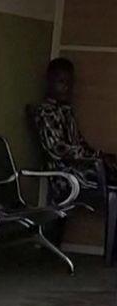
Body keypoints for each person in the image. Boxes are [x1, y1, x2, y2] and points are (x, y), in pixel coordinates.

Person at [33, 57, 117, 204]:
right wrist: (98, 157)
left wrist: (102, 156)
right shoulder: (45, 112)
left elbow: (79, 143)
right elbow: (60, 150)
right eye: (61, 82)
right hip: (66, 176)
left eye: (70, 83)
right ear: (49, 82)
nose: (66, 87)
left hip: (81, 169)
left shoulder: (66, 110)